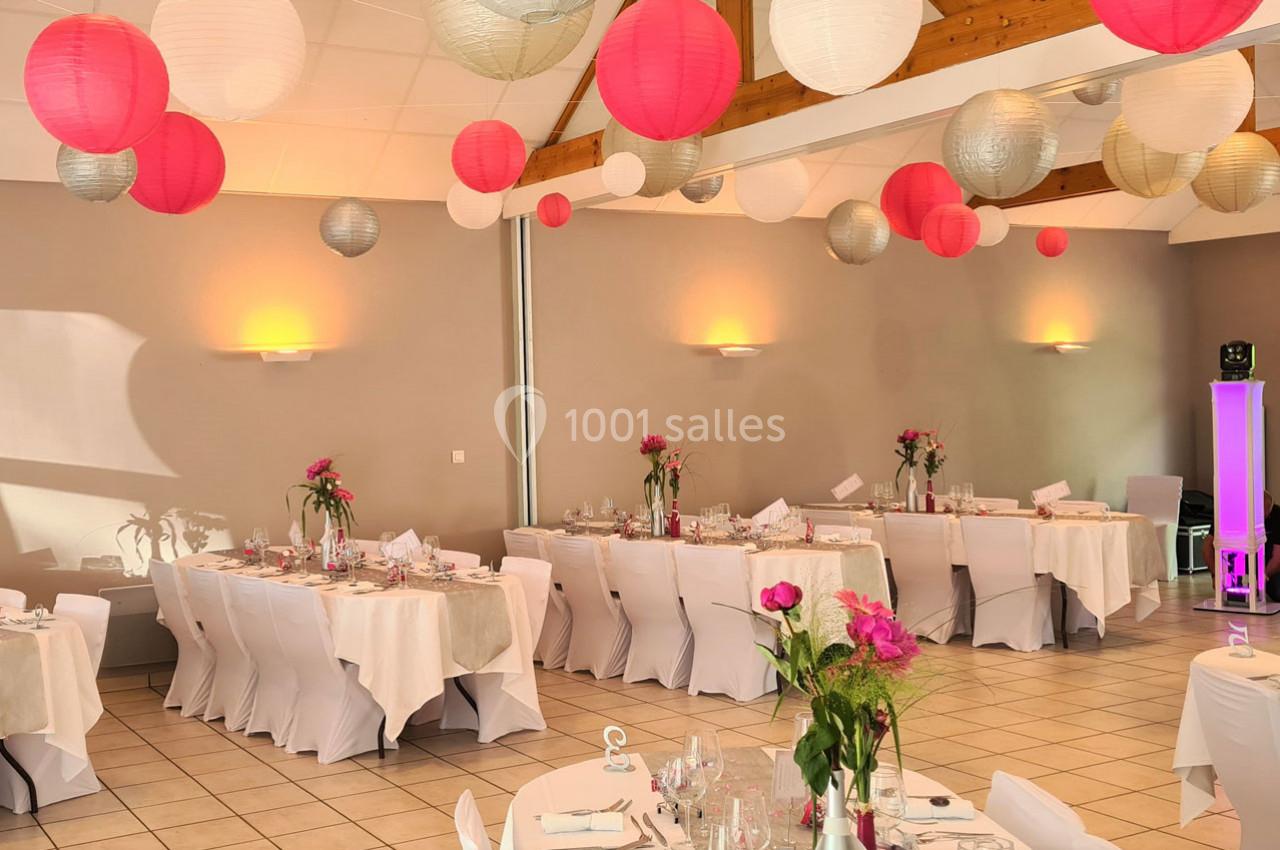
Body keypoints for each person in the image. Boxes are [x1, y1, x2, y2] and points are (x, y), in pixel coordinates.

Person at [1201, 490, 1280, 602]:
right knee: (1232, 594)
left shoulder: (1277, 516)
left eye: (1265, 516)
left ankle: (1261, 584)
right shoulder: (1230, 514)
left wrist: (1264, 575)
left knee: (1277, 593)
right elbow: (1207, 546)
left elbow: (1277, 557)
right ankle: (1232, 582)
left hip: (1267, 561)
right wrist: (1216, 573)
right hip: (1240, 557)